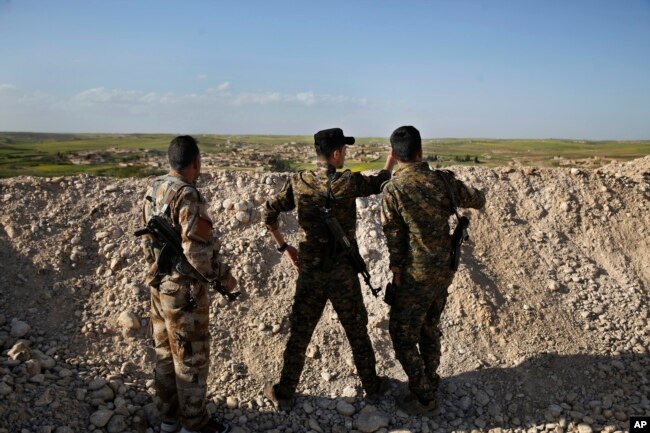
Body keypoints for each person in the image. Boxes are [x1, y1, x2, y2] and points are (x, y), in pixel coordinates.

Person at [262, 128, 397, 410]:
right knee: (357, 331)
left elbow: (269, 213)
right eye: (344, 150)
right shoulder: (348, 182)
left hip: (310, 274)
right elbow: (380, 183)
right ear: (335, 153)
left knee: (300, 333)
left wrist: (284, 247)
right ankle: (372, 387)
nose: (345, 155)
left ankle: (285, 392)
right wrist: (390, 161)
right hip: (343, 275)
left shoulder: (298, 182)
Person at [380, 126, 486, 415]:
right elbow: (477, 199)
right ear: (420, 152)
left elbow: (394, 238)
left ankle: (424, 396)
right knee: (429, 326)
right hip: (444, 270)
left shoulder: (394, 190)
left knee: (401, 334)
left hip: (415, 275)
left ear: (394, 154)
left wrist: (397, 272)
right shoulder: (443, 181)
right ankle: (432, 379)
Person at [140, 135, 237, 433]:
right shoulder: (187, 195)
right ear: (195, 162)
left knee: (166, 356)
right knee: (191, 360)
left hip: (159, 285)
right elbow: (197, 251)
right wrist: (224, 277)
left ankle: (169, 420)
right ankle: (194, 425)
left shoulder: (155, 187)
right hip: (183, 294)